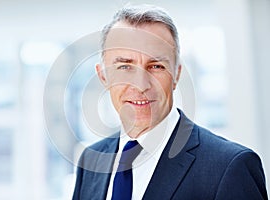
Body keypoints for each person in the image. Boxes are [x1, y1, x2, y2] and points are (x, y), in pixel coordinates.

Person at [72, 4, 268, 200]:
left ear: (176, 75)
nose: (141, 85)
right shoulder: (91, 160)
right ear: (103, 77)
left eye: (156, 66)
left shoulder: (229, 167)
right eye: (125, 66)